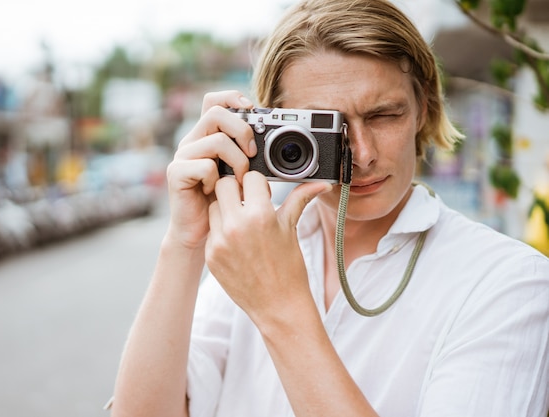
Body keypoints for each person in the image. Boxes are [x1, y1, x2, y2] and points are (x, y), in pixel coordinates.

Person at [109, 0, 549, 416]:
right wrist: (184, 243)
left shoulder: (509, 282)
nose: (360, 154)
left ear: (423, 110)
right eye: (326, 128)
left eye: (383, 115)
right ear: (271, 132)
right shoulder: (251, 254)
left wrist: (279, 307)